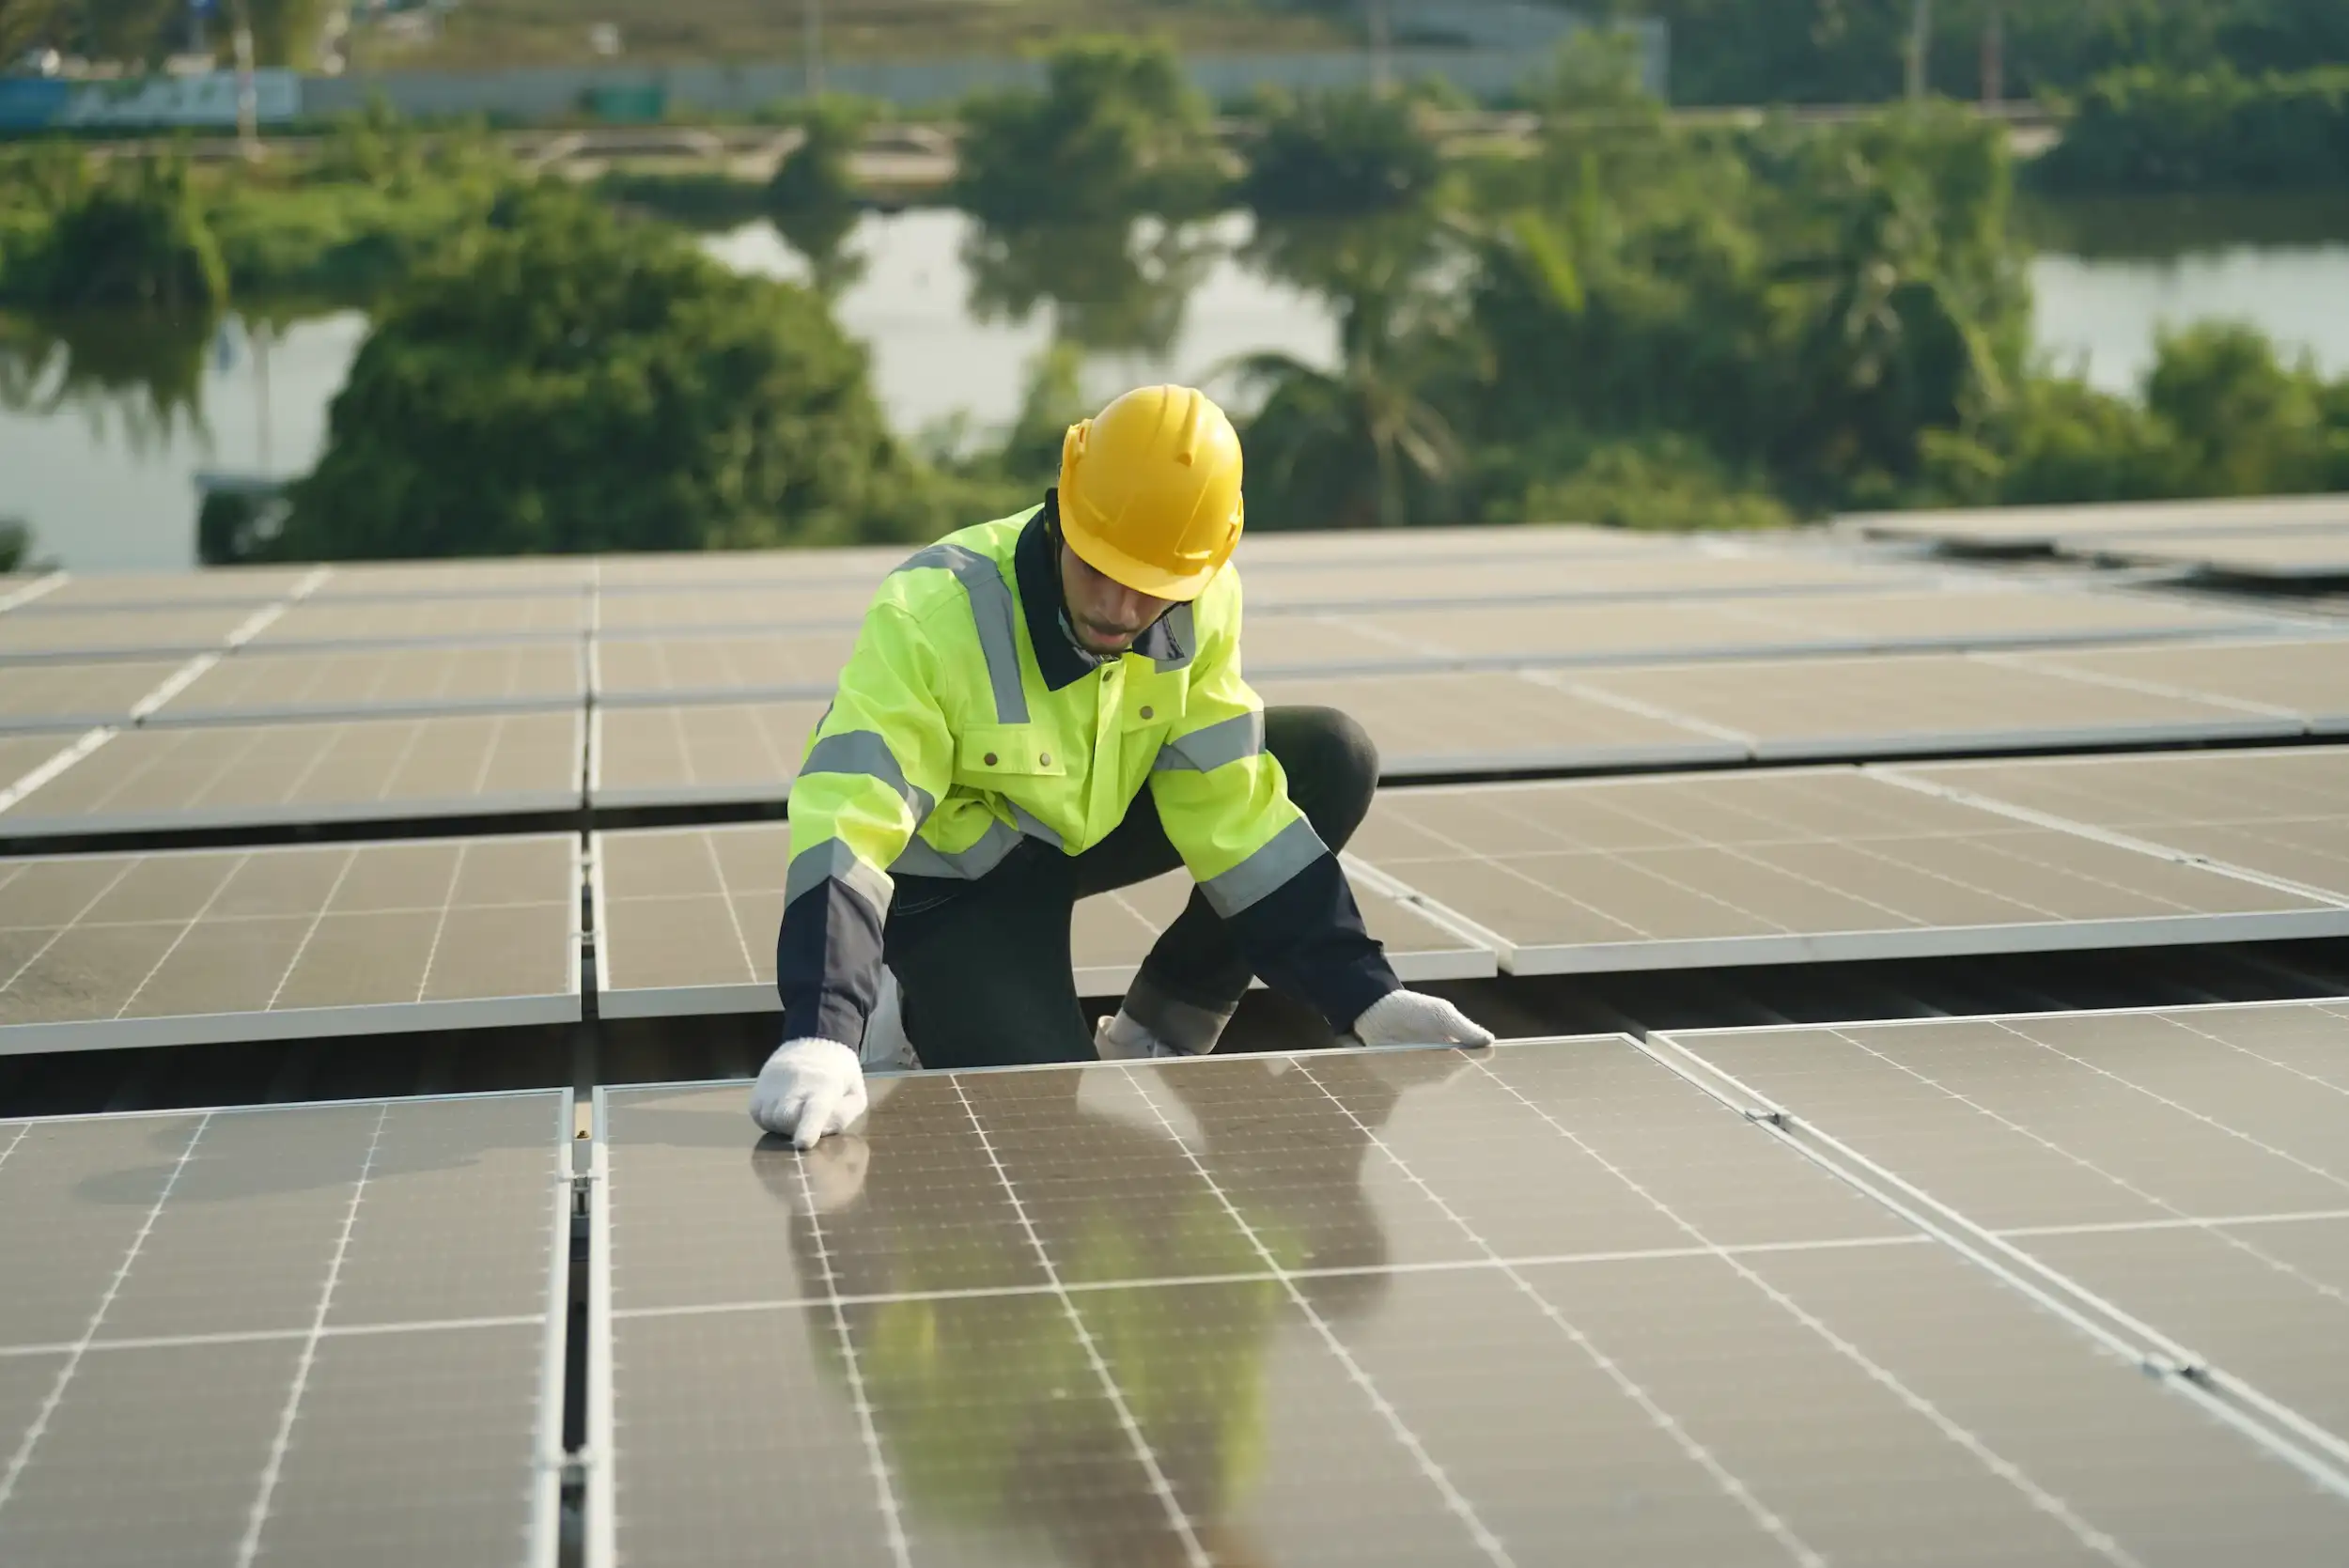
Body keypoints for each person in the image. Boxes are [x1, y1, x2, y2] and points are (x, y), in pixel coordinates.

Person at [750, 384, 1493, 1146]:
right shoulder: (934, 612)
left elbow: (1235, 810)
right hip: (956, 879)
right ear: (1063, 510)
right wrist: (822, 1027)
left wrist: (1365, 993)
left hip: (1086, 820)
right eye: (1099, 567)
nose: (1119, 606)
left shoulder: (1200, 596)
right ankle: (898, 999)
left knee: (1330, 756)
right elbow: (848, 818)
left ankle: (1157, 1028)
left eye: (1153, 588)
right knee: (1046, 1134)